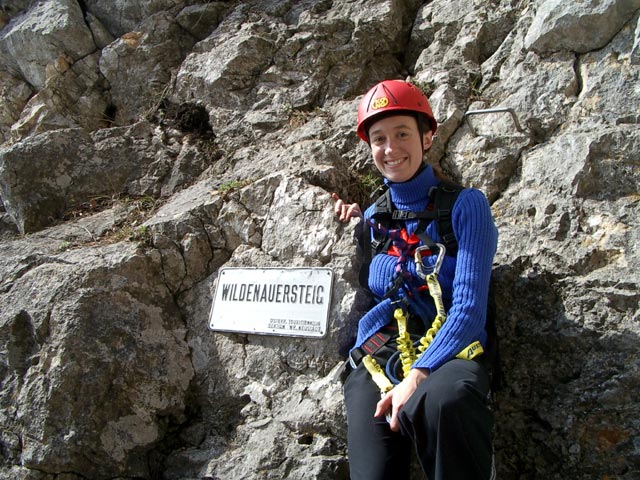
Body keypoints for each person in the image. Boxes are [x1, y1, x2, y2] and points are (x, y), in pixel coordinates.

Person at [333, 79, 498, 480]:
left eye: (403, 133)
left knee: (446, 399)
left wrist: (418, 376)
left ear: (427, 137)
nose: (391, 149)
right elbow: (370, 292)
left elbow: (470, 309)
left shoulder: (465, 206)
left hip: (451, 352)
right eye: (379, 139)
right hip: (383, 354)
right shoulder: (374, 218)